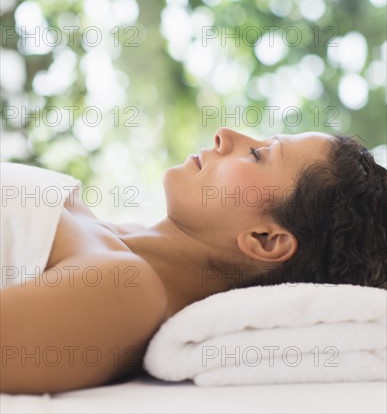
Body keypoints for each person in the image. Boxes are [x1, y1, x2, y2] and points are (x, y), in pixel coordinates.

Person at [1, 127, 386, 394]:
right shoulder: (108, 238)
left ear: (265, 241)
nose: (225, 136)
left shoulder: (126, 290)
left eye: (256, 155)